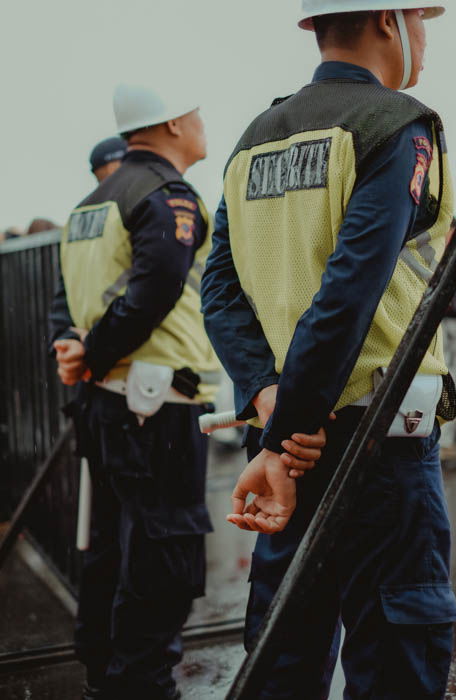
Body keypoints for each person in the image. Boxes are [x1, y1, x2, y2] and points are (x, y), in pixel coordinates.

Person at [201, 1, 456, 698]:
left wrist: (272, 412)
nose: (425, 38)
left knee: (284, 652)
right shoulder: (398, 127)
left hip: (286, 442)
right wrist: (292, 429)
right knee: (396, 657)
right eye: (420, 18)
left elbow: (218, 290)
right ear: (385, 20)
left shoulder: (253, 139)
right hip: (375, 444)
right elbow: (348, 294)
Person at [49, 83, 221, 700]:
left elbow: (63, 303)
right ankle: (143, 687)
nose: (203, 123)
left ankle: (104, 673)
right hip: (157, 405)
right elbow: (156, 286)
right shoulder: (167, 194)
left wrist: (76, 354)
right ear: (173, 122)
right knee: (162, 553)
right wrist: (92, 354)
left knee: (110, 548)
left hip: (106, 401)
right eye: (197, 113)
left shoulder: (90, 204)